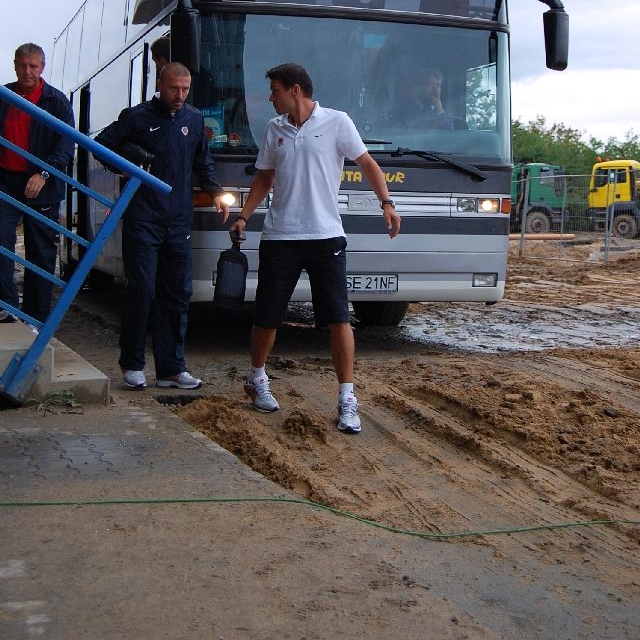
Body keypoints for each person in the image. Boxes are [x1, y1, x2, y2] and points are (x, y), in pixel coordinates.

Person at [229, 63, 401, 434]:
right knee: (267, 316)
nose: (270, 98)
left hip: (326, 237)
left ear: (295, 90)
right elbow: (265, 178)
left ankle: (347, 399)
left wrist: (386, 203)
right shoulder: (275, 129)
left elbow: (367, 163)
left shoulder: (337, 122)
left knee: (339, 318)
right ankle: (256, 378)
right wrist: (244, 216)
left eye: (274, 90)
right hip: (280, 237)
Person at [96, 62, 229, 390]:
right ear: (160, 84)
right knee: (142, 289)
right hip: (143, 217)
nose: (180, 95)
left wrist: (215, 192)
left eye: (185, 89)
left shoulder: (194, 119)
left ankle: (172, 367)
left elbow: (203, 162)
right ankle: (133, 364)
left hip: (178, 219)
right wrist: (129, 161)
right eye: (174, 88)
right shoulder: (137, 116)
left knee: (177, 292)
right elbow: (102, 146)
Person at [0, 43, 75, 323]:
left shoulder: (56, 101)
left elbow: (66, 145)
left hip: (42, 183)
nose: (28, 71)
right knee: (1, 241)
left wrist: (43, 173)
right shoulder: (4, 96)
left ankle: (35, 320)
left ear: (42, 68)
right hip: (6, 180)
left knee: (41, 253)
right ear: (15, 65)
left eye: (34, 66)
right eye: (23, 65)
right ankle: (6, 306)